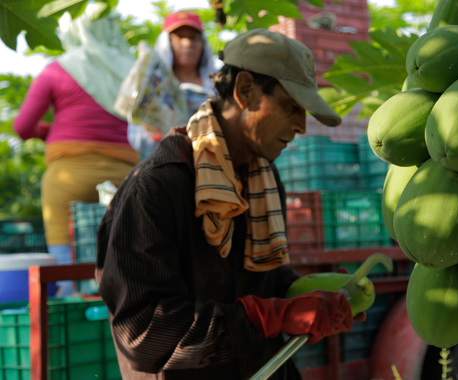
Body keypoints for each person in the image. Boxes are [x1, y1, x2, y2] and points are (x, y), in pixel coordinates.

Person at [95, 29, 355, 379]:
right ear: (245, 89)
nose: (300, 127)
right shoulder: (155, 188)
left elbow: (262, 279)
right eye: (291, 107)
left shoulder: (263, 178)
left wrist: (309, 294)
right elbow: (144, 334)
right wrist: (271, 316)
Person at [13, 6, 138, 296]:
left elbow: (22, 125)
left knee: (66, 261)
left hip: (69, 175)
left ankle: (71, 300)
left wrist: (48, 132)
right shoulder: (130, 70)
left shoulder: (58, 70)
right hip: (125, 177)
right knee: (126, 256)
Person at [127, 10, 217, 156]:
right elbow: (134, 134)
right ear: (167, 42)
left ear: (202, 43)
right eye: (180, 37)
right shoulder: (152, 86)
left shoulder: (216, 85)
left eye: (193, 38)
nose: (187, 43)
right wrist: (152, 133)